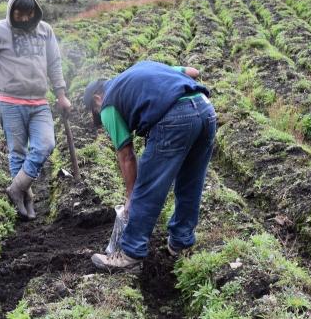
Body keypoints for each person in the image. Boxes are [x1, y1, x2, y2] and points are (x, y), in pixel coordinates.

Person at [82, 61, 216, 271]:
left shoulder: (107, 104)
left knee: (147, 188)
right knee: (191, 182)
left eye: (96, 111)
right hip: (205, 109)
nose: (100, 115)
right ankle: (181, 242)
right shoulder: (142, 71)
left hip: (174, 119)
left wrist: (130, 196)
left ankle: (130, 254)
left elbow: (126, 155)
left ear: (97, 98)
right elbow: (193, 72)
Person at [0, 0, 71, 220]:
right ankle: (26, 201)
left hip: (39, 101)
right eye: (19, 14)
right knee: (18, 153)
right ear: (11, 11)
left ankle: (16, 188)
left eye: (28, 14)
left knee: (45, 145)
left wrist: (61, 94)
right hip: (11, 103)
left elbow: (54, 63)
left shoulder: (45, 31)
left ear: (35, 12)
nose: (23, 19)